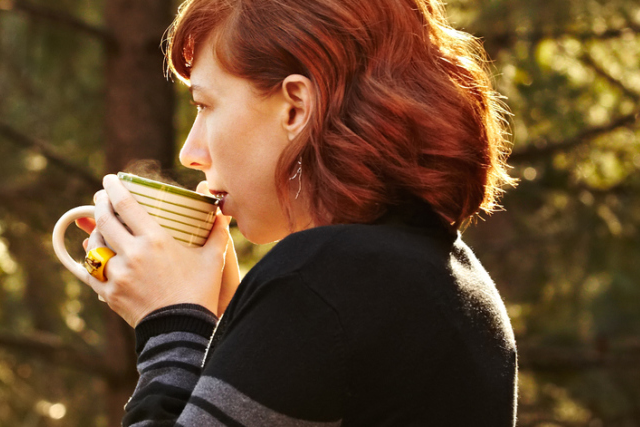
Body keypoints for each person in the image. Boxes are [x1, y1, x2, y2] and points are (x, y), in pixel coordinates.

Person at [75, 0, 518, 424]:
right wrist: (229, 327)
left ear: (295, 107)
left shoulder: (317, 285)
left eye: (205, 105)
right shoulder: (453, 277)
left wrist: (169, 322)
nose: (192, 153)